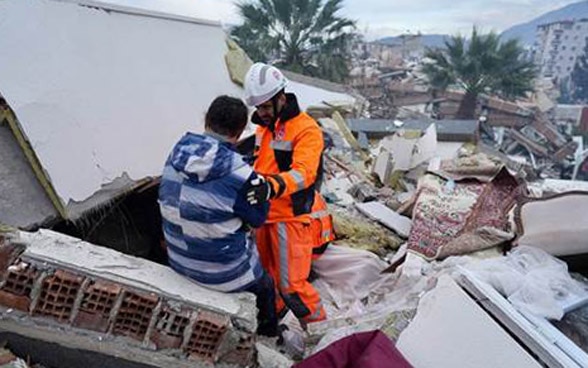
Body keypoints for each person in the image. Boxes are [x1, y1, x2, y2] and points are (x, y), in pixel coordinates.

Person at [158, 95, 277, 336]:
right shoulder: (244, 174)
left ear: (206, 119)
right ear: (242, 130)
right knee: (266, 287)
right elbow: (258, 219)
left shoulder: (176, 153)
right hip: (223, 276)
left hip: (178, 260)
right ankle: (268, 340)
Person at [243, 62, 333, 325]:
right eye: (258, 108)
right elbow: (260, 163)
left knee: (291, 286)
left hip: (290, 219)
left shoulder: (306, 129)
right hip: (264, 215)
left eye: (267, 107)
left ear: (282, 97)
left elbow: (304, 173)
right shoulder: (264, 127)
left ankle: (320, 332)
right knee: (266, 280)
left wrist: (270, 186)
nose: (262, 113)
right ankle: (273, 326)